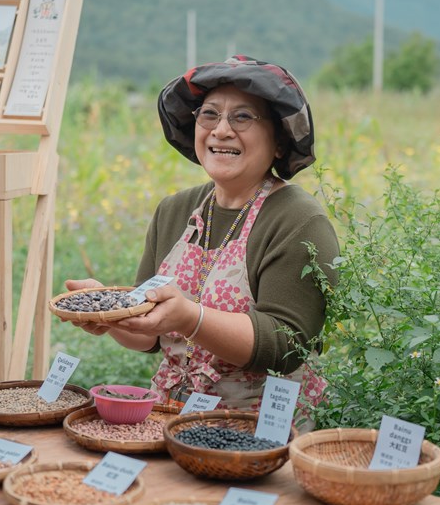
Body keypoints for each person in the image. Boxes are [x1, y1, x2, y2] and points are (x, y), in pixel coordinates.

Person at [63, 55, 339, 423]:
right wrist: (110, 313)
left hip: (264, 431)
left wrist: (190, 317)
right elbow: (149, 335)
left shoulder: (298, 219)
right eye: (209, 114)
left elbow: (284, 345)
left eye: (242, 117)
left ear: (278, 141)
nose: (221, 130)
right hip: (174, 417)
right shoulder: (176, 210)